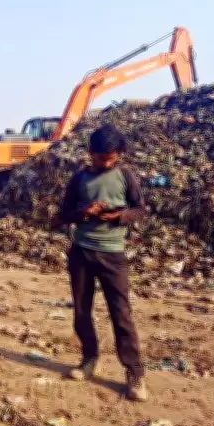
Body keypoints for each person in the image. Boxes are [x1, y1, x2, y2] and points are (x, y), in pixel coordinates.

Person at [59, 123, 148, 401]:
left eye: (109, 158)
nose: (104, 162)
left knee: (120, 313)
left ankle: (134, 373)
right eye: (98, 157)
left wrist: (119, 217)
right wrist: (84, 212)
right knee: (82, 311)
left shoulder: (125, 175)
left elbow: (140, 209)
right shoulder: (79, 179)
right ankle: (88, 359)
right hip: (82, 252)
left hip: (112, 254)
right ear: (89, 153)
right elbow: (64, 214)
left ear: (119, 154)